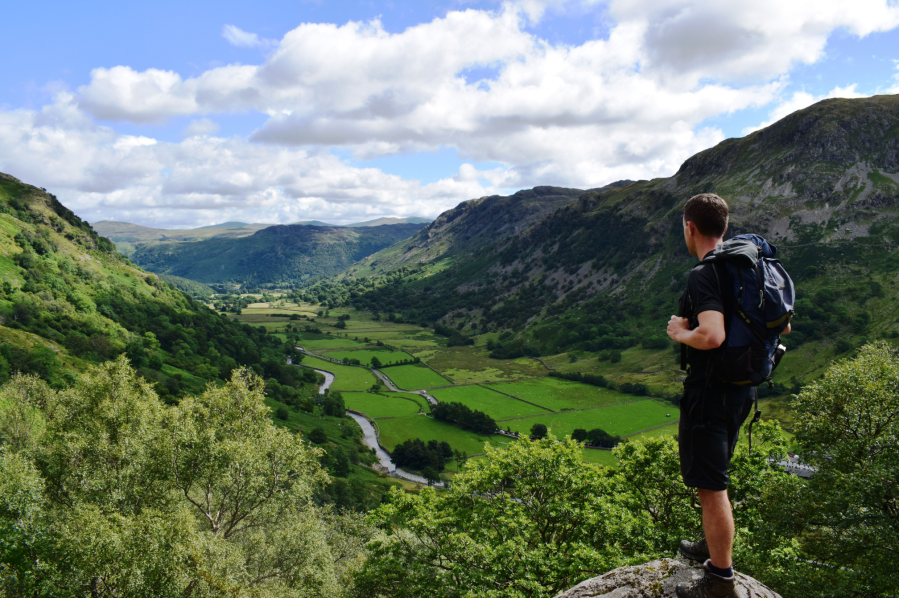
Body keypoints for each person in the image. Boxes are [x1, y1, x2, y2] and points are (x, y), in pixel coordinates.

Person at [666, 194, 789, 598]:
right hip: (743, 390)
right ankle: (710, 544)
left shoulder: (706, 273)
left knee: (711, 485)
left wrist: (680, 333)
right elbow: (782, 327)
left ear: (690, 227)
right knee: (716, 476)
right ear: (725, 224)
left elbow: (712, 335)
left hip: (711, 392)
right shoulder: (749, 264)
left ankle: (720, 580)